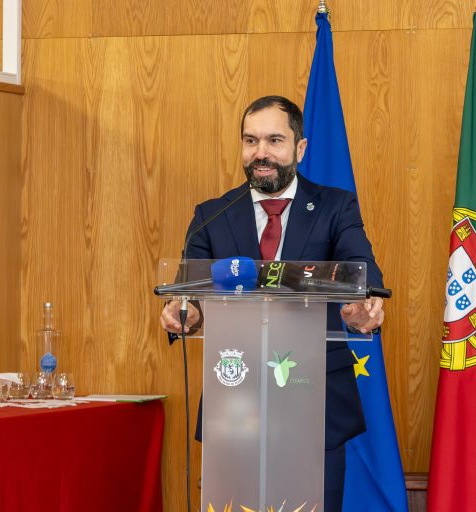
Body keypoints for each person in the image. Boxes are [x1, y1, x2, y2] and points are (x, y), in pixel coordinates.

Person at [160, 95, 384, 511]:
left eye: (274, 140)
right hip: (235, 408)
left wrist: (362, 305)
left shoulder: (335, 207)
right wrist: (183, 314)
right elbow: (189, 293)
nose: (260, 153)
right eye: (251, 140)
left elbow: (362, 268)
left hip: (316, 408)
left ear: (299, 148)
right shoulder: (212, 215)